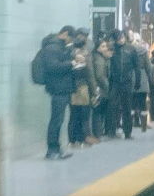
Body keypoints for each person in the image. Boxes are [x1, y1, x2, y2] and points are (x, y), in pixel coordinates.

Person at [35, 26, 79, 159]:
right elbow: (53, 67)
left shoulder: (59, 47)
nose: (70, 42)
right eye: (70, 38)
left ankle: (56, 148)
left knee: (59, 120)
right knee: (56, 120)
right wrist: (71, 63)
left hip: (62, 88)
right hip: (57, 88)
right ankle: (52, 150)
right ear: (65, 34)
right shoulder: (52, 48)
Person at [112, 32, 148, 136]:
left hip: (127, 82)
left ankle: (127, 131)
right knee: (114, 106)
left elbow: (137, 66)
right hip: (115, 82)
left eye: (122, 38)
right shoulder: (113, 48)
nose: (121, 40)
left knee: (127, 107)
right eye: (118, 39)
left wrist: (137, 81)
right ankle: (113, 129)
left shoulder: (131, 49)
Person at [88, 35, 117, 142]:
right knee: (98, 112)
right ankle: (97, 134)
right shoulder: (99, 59)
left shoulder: (101, 57)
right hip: (100, 89)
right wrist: (107, 87)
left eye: (106, 46)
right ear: (98, 47)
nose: (105, 48)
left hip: (100, 88)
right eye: (103, 46)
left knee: (98, 112)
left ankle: (98, 134)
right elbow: (100, 75)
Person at [67, 32, 92, 149]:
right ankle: (83, 139)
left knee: (73, 116)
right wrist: (94, 92)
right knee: (84, 116)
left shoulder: (68, 55)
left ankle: (72, 140)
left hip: (71, 90)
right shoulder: (86, 57)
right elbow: (90, 76)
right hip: (83, 89)